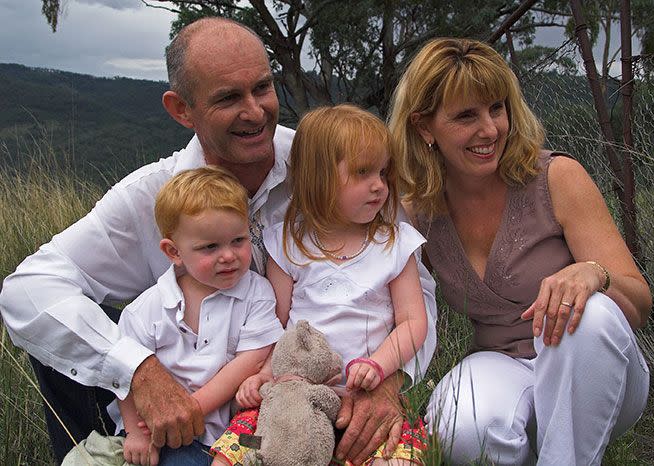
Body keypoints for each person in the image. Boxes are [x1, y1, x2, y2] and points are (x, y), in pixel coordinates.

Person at [0, 17, 437, 465]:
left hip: (306, 394)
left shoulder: (329, 165)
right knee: (73, 336)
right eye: (228, 97)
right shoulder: (151, 195)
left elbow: (412, 291)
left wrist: (389, 379)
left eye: (263, 88)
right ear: (180, 109)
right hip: (207, 418)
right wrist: (135, 370)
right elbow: (27, 290)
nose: (254, 111)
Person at [388, 38, 651, 465]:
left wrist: (594, 274)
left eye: (497, 108)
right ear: (423, 127)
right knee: (459, 425)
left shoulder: (557, 178)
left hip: (594, 373)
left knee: (591, 313)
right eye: (465, 116)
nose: (489, 129)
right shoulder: (416, 211)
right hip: (502, 363)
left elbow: (639, 304)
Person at [210, 104, 429, 466]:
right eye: (363, 173)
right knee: (238, 448)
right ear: (320, 177)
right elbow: (274, 325)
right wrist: (262, 375)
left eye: (383, 172)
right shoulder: (288, 244)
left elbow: (413, 322)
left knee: (400, 457)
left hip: (369, 398)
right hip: (292, 399)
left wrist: (379, 367)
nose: (379, 185)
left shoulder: (394, 244)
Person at [112, 166, 283, 465]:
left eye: (238, 241)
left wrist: (190, 409)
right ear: (174, 252)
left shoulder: (256, 292)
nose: (228, 255)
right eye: (210, 247)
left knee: (275, 449)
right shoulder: (147, 309)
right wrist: (135, 433)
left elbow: (251, 359)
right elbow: (124, 373)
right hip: (163, 433)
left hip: (232, 430)